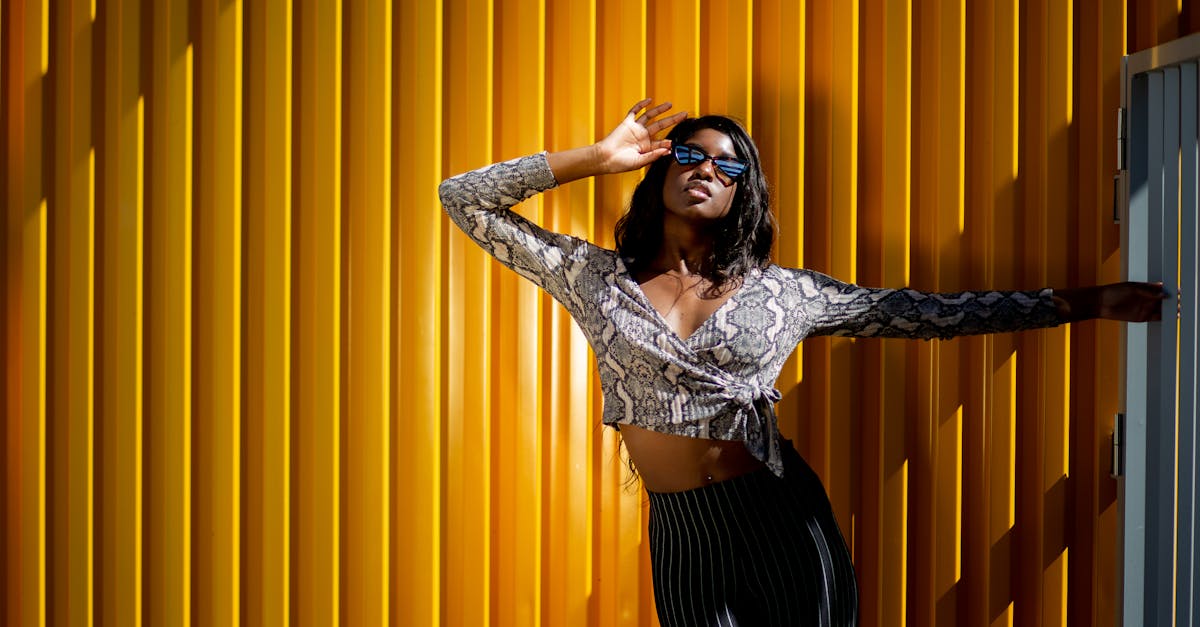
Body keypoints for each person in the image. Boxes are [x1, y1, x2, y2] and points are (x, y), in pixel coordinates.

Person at [439, 99, 1165, 627]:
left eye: (727, 165)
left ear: (741, 193)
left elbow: (934, 314)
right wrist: (595, 157)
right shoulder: (592, 277)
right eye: (689, 153)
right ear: (659, 169)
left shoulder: (789, 294)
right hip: (684, 534)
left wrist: (1085, 301)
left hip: (780, 516)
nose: (706, 170)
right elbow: (463, 198)